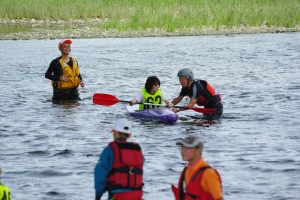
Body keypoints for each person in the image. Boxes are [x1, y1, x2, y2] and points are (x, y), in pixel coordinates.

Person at [94, 118, 144, 200]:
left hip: (117, 196)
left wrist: (98, 196)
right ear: (129, 135)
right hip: (137, 196)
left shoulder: (110, 150)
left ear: (115, 132)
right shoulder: (138, 150)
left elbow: (100, 174)